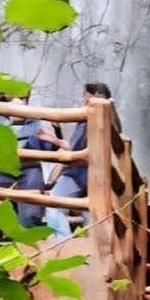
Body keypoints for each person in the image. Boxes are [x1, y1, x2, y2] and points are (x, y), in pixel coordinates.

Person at [38, 82, 119, 239]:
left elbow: (77, 150)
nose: (83, 97)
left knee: (55, 204)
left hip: (79, 172)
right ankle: (96, 247)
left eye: (84, 94)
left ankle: (60, 242)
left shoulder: (88, 116)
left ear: (91, 95)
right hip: (98, 175)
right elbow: (74, 146)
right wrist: (54, 140)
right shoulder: (110, 118)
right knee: (92, 212)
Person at [0, 94, 55, 228]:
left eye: (22, 98)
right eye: (12, 98)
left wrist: (52, 135)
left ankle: (29, 243)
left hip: (29, 169)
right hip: (1, 169)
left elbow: (49, 148)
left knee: (30, 214)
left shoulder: (36, 122)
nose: (18, 101)